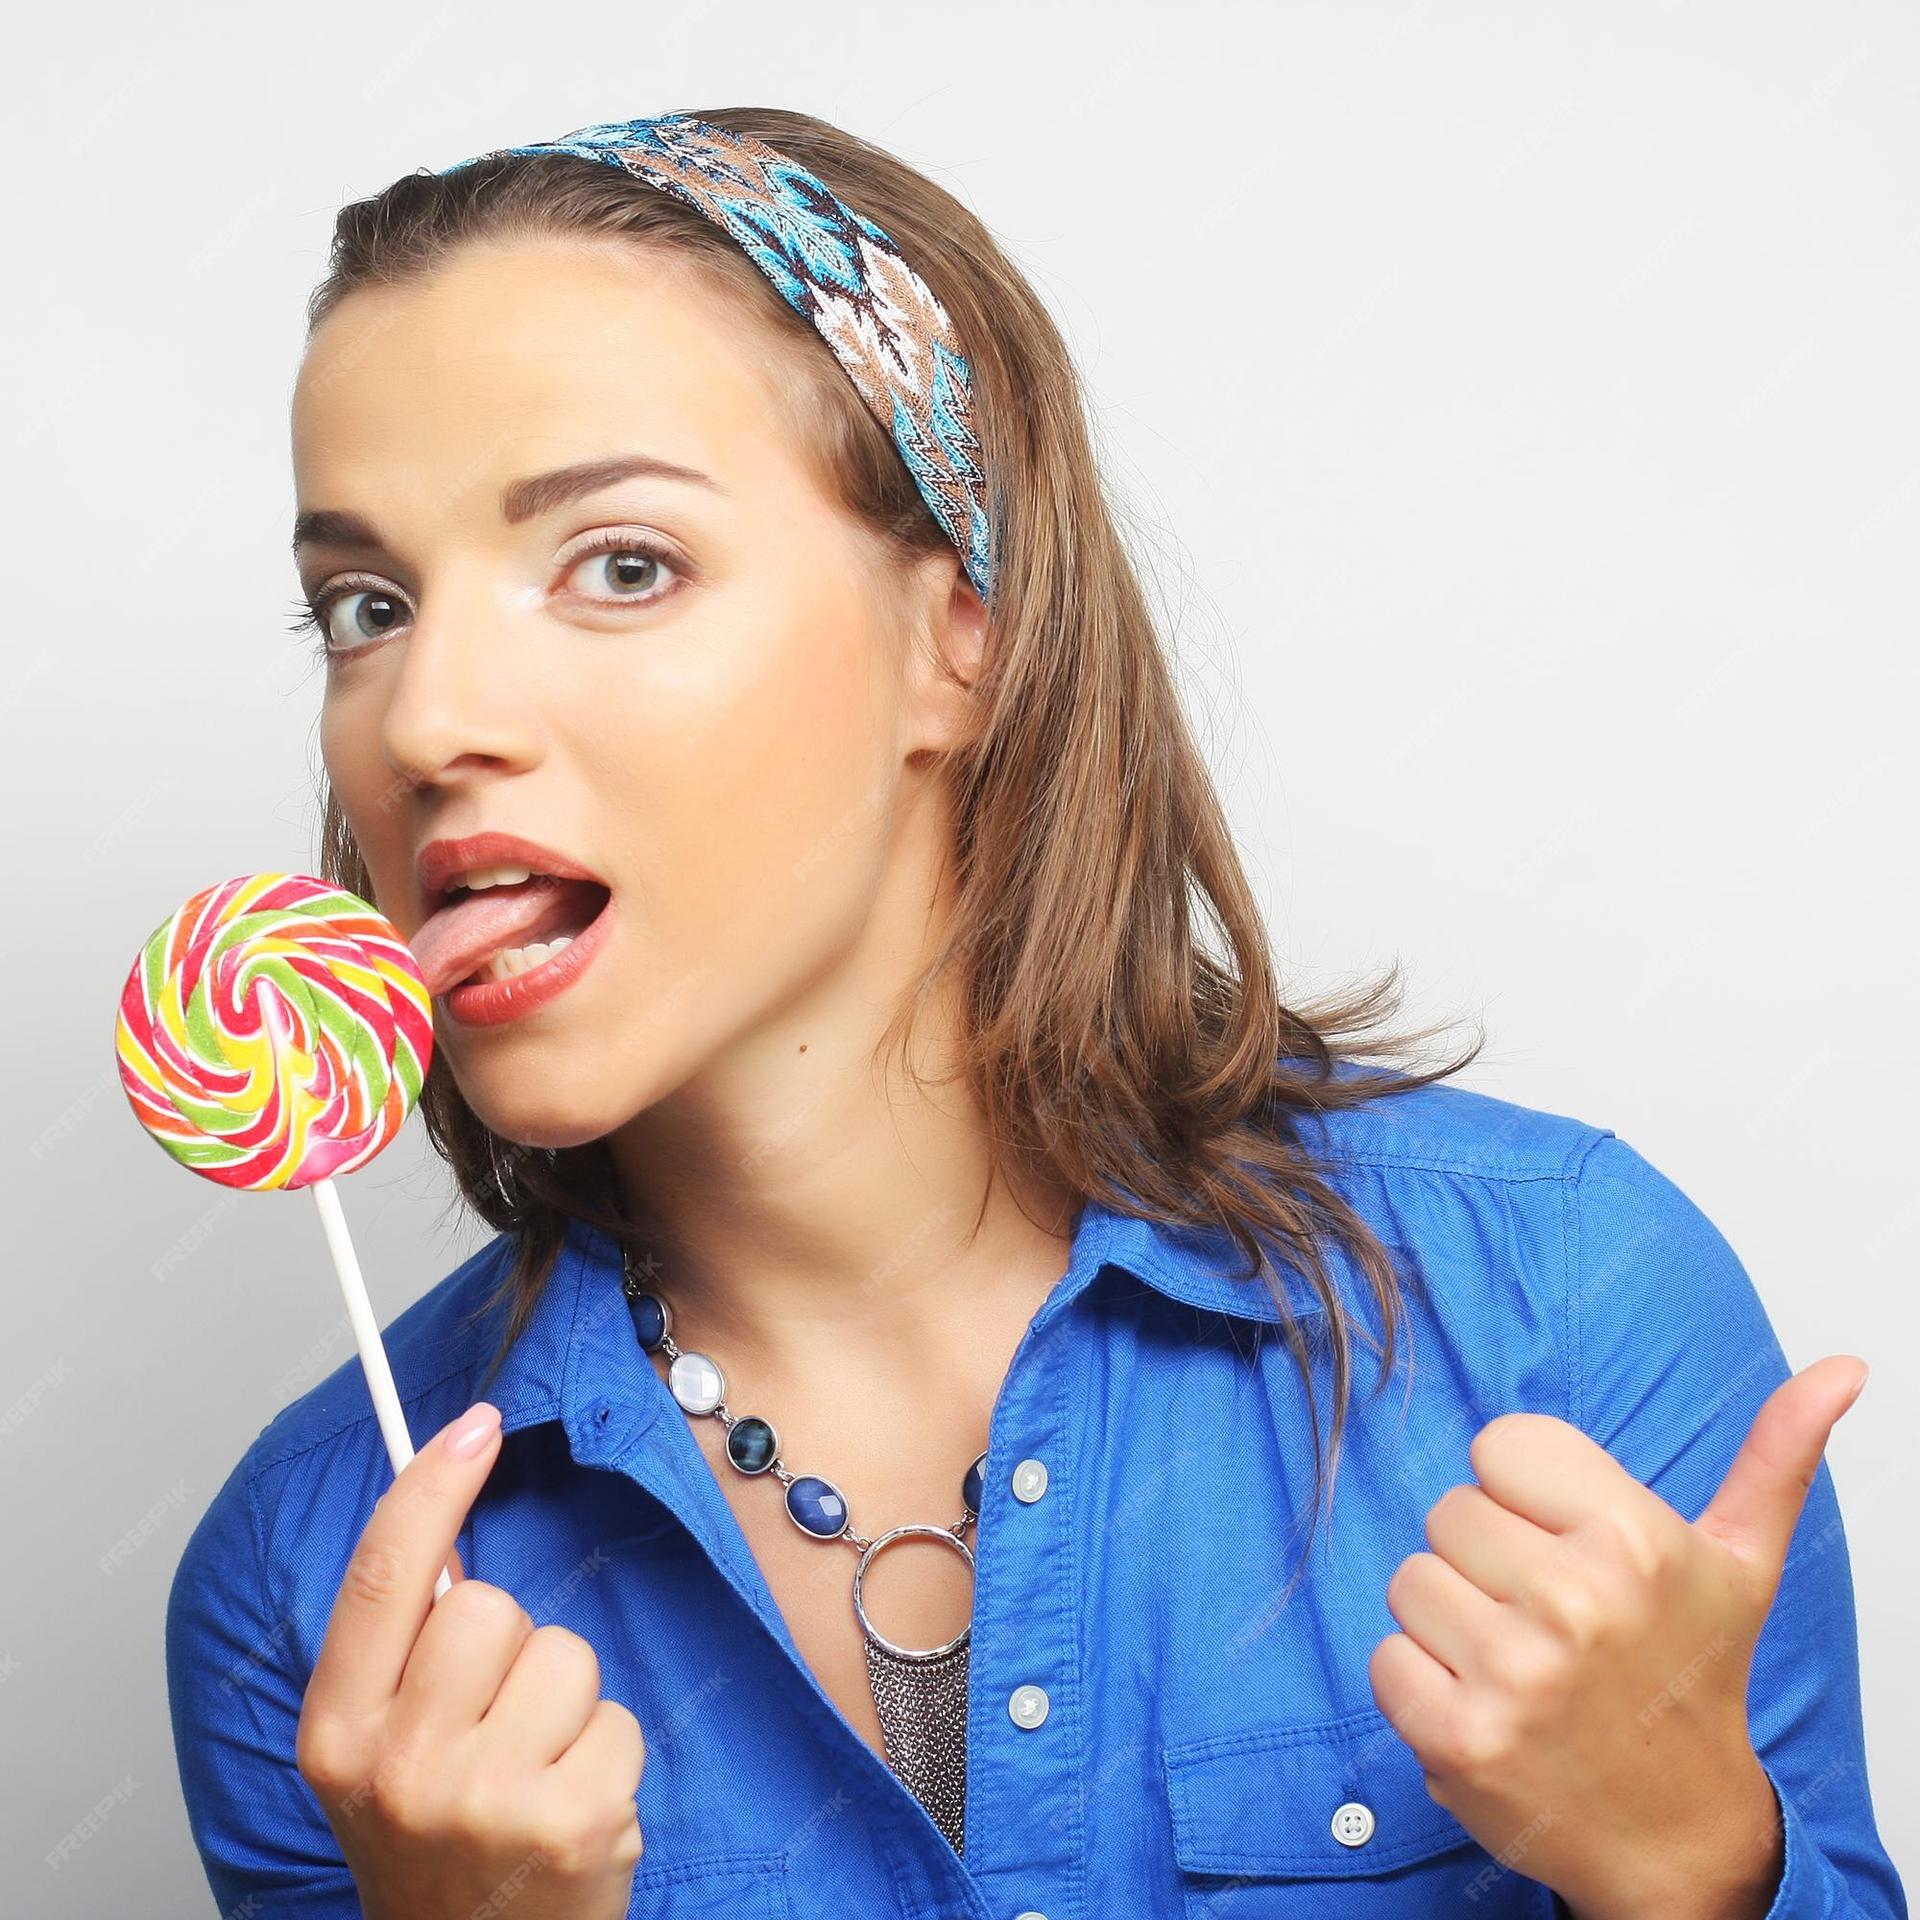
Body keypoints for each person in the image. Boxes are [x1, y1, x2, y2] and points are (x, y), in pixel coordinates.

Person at [164, 108, 1906, 1918]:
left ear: (961, 634)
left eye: (622, 564)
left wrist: (1694, 1864)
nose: (426, 718)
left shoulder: (1554, 1310)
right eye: (363, 607)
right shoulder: (310, 1591)